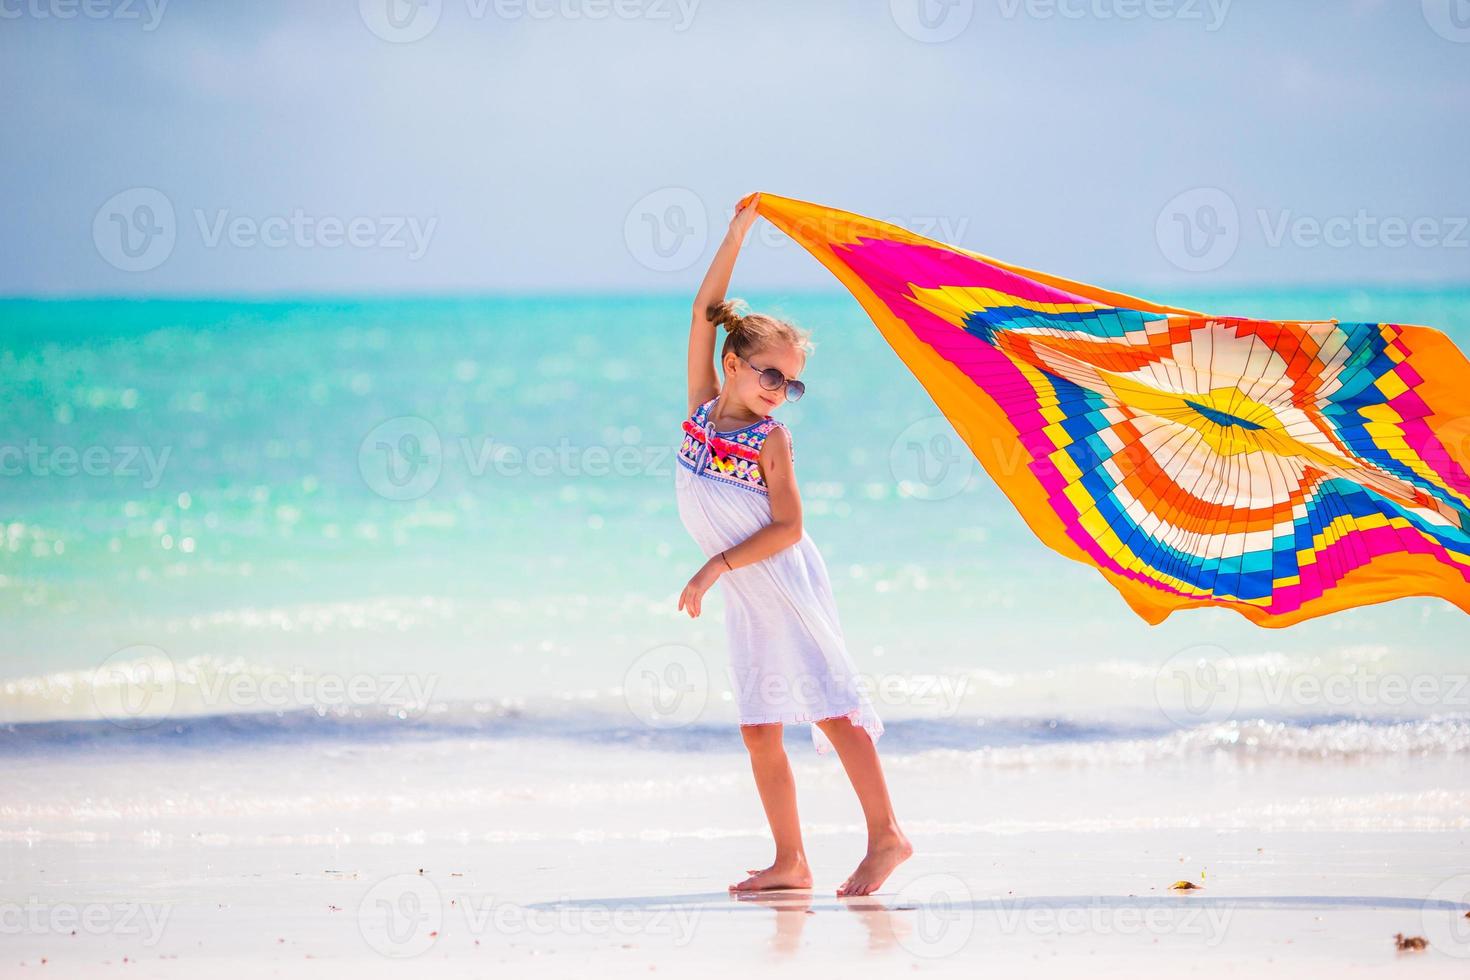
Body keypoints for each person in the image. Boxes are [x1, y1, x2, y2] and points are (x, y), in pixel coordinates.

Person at [674, 193, 912, 897]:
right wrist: (737, 234)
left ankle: (888, 835)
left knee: (833, 708)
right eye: (770, 374)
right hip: (749, 597)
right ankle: (791, 860)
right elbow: (701, 311)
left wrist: (712, 567)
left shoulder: (769, 438)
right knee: (759, 728)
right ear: (735, 362)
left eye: (792, 381)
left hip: (778, 579)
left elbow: (789, 527)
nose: (781, 389)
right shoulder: (700, 406)